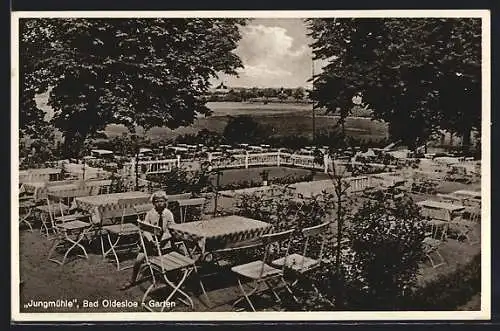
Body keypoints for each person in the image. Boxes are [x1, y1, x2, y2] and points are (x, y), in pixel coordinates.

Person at [119, 190, 176, 290]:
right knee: (138, 260)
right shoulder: (150, 214)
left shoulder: (168, 214)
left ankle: (169, 280)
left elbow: (170, 229)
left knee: (168, 261)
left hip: (164, 242)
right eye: (157, 201)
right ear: (153, 203)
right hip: (150, 241)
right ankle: (132, 279)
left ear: (165, 202)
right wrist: (150, 240)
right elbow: (145, 229)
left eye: (161, 201)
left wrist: (162, 241)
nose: (159, 203)